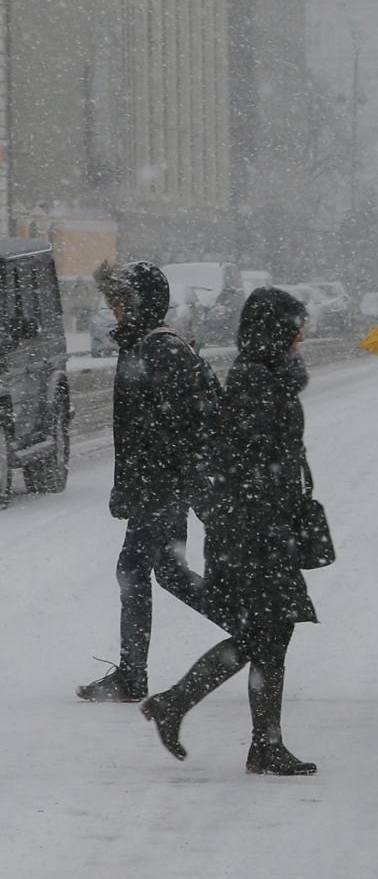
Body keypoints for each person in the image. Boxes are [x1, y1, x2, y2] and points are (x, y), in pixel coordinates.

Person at [141, 287, 320, 775]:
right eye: (294, 326)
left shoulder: (266, 377)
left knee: (265, 633)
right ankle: (247, 736)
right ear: (276, 331)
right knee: (265, 632)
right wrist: (272, 502)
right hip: (251, 532)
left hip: (260, 527)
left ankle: (222, 723)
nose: (301, 334)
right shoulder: (255, 382)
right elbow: (245, 459)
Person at [77, 261, 223, 703]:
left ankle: (132, 676)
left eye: (120, 301)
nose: (114, 309)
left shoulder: (160, 349)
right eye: (112, 301)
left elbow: (187, 426)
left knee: (135, 570)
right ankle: (251, 632)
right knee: (170, 573)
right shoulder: (140, 345)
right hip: (155, 485)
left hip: (162, 486)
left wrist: (171, 487)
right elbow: (141, 429)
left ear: (141, 303)